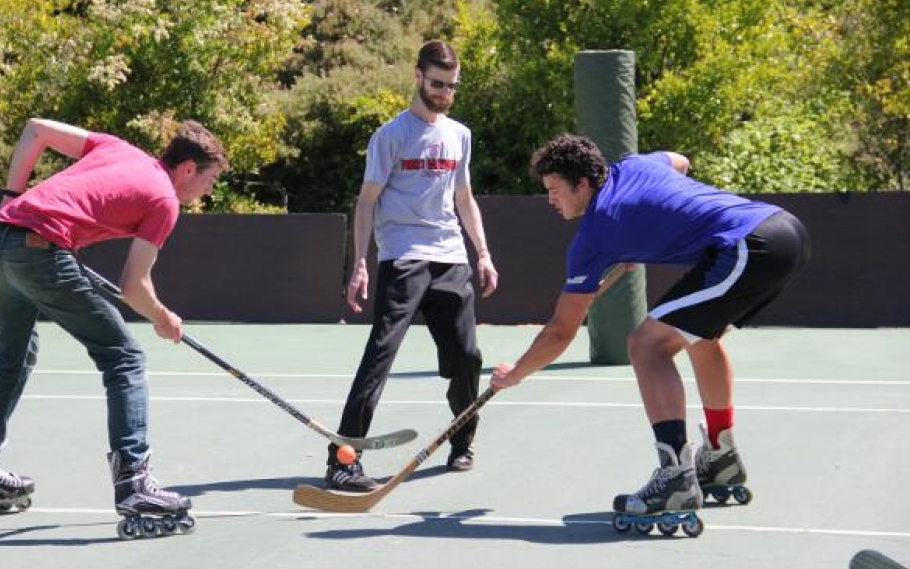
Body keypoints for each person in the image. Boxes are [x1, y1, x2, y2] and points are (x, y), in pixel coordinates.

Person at [490, 133, 810, 518]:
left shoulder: (595, 234)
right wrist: (654, 223)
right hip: (784, 230)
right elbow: (681, 159)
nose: (550, 200)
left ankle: (675, 477)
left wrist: (517, 373)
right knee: (700, 337)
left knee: (646, 345)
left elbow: (561, 330)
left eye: (555, 190)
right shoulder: (634, 166)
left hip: (748, 246)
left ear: (583, 184)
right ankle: (721, 458)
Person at [0, 118, 228, 525]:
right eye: (208, 180)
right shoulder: (165, 201)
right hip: (39, 252)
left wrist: (11, 194)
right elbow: (133, 287)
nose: (207, 191)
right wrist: (163, 317)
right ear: (188, 168)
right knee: (124, 357)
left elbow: (34, 130)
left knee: (17, 355)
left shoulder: (120, 148)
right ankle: (134, 484)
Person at [324, 40, 499, 492]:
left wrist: (482, 252)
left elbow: (464, 198)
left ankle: (463, 441)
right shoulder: (391, 135)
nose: (445, 93)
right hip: (403, 256)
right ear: (418, 76)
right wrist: (359, 263)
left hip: (451, 258)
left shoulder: (460, 135)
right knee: (381, 353)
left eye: (452, 87)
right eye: (438, 84)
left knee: (466, 357)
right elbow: (367, 202)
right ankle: (343, 460)